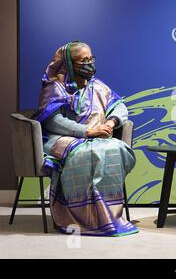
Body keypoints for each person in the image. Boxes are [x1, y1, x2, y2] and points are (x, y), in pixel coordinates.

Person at [33, 41, 138, 236]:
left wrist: (111, 123)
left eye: (91, 58)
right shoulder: (55, 88)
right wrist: (86, 132)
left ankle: (109, 215)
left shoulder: (98, 86)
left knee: (114, 148)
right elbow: (53, 122)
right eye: (83, 60)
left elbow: (120, 106)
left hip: (97, 136)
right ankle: (83, 217)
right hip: (61, 139)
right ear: (70, 64)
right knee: (88, 152)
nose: (89, 63)